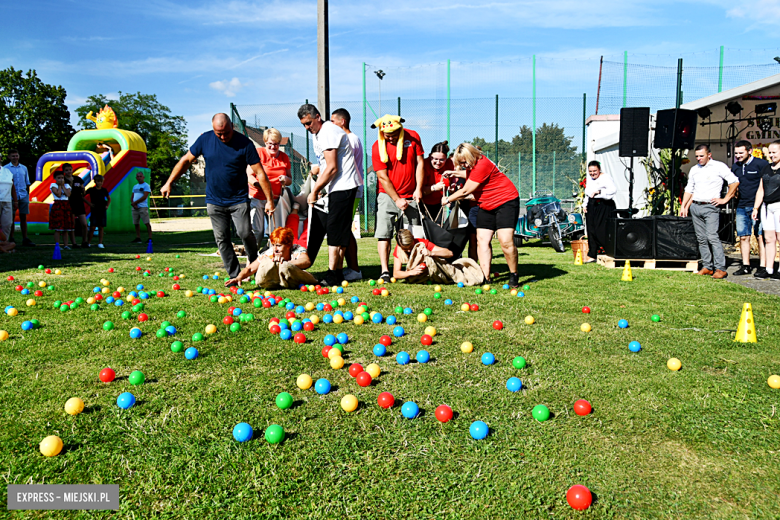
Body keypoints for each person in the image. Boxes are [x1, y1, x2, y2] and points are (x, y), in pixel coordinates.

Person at [161, 113, 275, 284]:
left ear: (232, 127)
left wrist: (270, 200)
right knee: (221, 239)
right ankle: (234, 274)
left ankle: (253, 263)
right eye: (218, 133)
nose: (222, 137)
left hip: (238, 199)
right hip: (215, 200)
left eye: (226, 133)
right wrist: (169, 182)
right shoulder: (205, 140)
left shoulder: (244, 143)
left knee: (244, 232)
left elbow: (260, 173)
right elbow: (186, 160)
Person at [298, 104, 361, 287]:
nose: (307, 127)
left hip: (344, 186)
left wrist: (315, 191)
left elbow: (333, 167)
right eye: (303, 125)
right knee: (337, 231)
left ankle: (334, 274)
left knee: (335, 232)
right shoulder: (317, 134)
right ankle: (337, 271)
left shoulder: (328, 131)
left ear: (318, 116)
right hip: (334, 188)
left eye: (309, 123)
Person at [443, 143, 521, 287]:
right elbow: (470, 175)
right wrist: (454, 173)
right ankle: (485, 276)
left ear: (472, 156)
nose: (464, 165)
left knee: (506, 241)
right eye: (461, 163)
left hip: (506, 201)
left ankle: (513, 274)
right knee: (482, 240)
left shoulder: (482, 164)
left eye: (465, 162)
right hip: (486, 204)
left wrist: (448, 199)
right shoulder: (474, 166)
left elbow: (466, 190)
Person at [371, 115, 425, 282]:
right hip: (387, 196)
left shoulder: (413, 137)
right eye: (387, 134)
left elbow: (420, 163)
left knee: (415, 233)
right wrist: (396, 199)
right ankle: (385, 271)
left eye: (394, 133)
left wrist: (418, 189)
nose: (391, 137)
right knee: (384, 234)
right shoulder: (376, 147)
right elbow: (382, 177)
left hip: (411, 195)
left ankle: (415, 267)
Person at [680, 144, 739, 279]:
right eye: (697, 156)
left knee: (712, 236)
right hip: (696, 205)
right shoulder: (695, 169)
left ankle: (720, 268)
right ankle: (707, 266)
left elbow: (734, 182)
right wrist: (684, 205)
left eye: (701, 156)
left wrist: (724, 199)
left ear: (709, 155)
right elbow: (689, 189)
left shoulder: (719, 166)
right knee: (701, 238)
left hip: (711, 206)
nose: (699, 159)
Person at [331, 108, 364, 282]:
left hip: (351, 189)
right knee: (344, 229)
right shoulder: (352, 138)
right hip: (350, 188)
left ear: (342, 122)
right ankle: (348, 267)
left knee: (344, 230)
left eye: (333, 122)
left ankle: (354, 269)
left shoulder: (349, 139)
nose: (331, 125)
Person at [226, 227, 317, 289]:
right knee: (266, 263)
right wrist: (239, 277)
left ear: (289, 245)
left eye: (278, 245)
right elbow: (250, 269)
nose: (275, 249)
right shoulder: (269, 253)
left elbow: (306, 261)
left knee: (284, 267)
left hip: (293, 278)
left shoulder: (297, 249)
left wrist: (287, 263)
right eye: (273, 245)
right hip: (273, 281)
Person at [249, 128, 293, 248]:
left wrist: (285, 179)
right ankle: (253, 256)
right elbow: (248, 175)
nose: (273, 147)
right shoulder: (258, 153)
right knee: (257, 231)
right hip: (258, 197)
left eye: (276, 144)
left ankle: (274, 254)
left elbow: (290, 180)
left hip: (276, 199)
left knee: (276, 230)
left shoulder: (284, 157)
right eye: (270, 144)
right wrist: (258, 185)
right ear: (265, 142)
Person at [392, 228, 484, 285]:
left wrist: (431, 253)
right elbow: (396, 274)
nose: (408, 251)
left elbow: (449, 253)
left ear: (413, 237)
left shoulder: (422, 243)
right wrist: (411, 272)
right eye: (405, 249)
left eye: (410, 247)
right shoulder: (399, 248)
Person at [731, 140, 768, 277]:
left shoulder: (761, 164)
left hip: (757, 206)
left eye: (741, 153)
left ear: (749, 151)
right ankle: (745, 265)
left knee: (760, 236)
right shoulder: (735, 167)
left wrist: (759, 206)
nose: (738, 156)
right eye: (736, 153)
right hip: (741, 206)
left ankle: (762, 266)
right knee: (743, 236)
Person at [751, 140, 780, 280]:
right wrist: (756, 207)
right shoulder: (766, 168)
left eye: (774, 152)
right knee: (769, 239)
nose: (771, 155)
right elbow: (760, 189)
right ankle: (768, 268)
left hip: (779, 205)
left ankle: (779, 270)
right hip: (767, 206)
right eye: (770, 153)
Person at [582, 160, 617, 262]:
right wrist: (585, 205)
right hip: (592, 206)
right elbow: (587, 193)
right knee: (591, 230)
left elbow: (613, 190)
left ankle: (608, 251)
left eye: (594, 171)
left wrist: (599, 192)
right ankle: (593, 254)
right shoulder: (590, 179)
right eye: (590, 171)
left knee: (600, 230)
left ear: (599, 169)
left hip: (603, 205)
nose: (593, 173)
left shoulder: (605, 178)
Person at [5, 150, 34, 246]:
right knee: (11, 218)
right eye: (13, 156)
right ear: (9, 157)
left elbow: (27, 183)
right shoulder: (6, 169)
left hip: (23, 195)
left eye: (16, 155)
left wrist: (27, 194)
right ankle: (11, 237)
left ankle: (25, 238)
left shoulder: (24, 168)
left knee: (23, 217)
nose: (15, 157)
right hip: (11, 196)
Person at [420, 141, 455, 218]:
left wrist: (452, 185)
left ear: (446, 158)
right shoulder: (424, 165)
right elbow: (419, 190)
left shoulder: (449, 164)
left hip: (440, 204)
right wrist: (434, 188)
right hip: (423, 203)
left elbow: (453, 179)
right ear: (429, 156)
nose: (438, 162)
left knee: (438, 227)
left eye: (442, 160)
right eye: (435, 159)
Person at [48, 170, 74, 249]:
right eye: (59, 178)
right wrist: (59, 186)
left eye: (62, 178)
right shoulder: (53, 185)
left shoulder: (67, 185)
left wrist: (63, 186)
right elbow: (58, 194)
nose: (61, 179)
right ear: (55, 178)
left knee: (66, 228)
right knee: (58, 228)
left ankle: (66, 245)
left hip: (66, 206)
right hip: (58, 206)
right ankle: (57, 245)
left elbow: (68, 194)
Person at [85, 174, 110, 248]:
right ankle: (88, 242)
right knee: (92, 227)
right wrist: (89, 203)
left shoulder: (104, 190)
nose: (100, 183)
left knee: (101, 227)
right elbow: (83, 196)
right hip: (94, 210)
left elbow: (109, 198)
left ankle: (100, 243)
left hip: (102, 210)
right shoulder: (91, 190)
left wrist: (107, 205)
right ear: (95, 181)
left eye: (101, 181)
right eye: (98, 181)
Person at [130, 171, 153, 244]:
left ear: (143, 177)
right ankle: (138, 237)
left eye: (140, 176)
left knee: (146, 223)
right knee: (136, 223)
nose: (139, 178)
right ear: (136, 178)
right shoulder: (135, 186)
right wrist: (133, 204)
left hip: (142, 207)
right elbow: (132, 197)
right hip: (135, 207)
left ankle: (150, 238)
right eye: (138, 176)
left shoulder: (146, 186)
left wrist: (135, 203)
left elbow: (144, 196)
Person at [69, 168, 88, 248]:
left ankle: (84, 242)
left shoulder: (78, 179)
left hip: (79, 203)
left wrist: (83, 190)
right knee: (72, 224)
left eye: (70, 169)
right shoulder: (63, 179)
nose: (68, 171)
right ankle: (74, 243)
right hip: (70, 203)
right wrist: (70, 182)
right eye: (66, 170)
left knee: (84, 224)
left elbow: (83, 192)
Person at [0, 153, 17, 240]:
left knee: (7, 223)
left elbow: (12, 187)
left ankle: (4, 241)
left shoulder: (7, 171)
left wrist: (15, 200)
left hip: (7, 201)